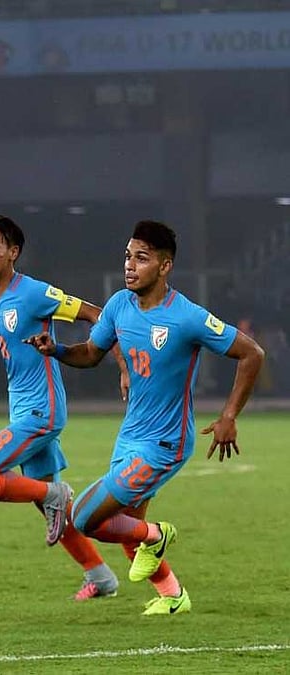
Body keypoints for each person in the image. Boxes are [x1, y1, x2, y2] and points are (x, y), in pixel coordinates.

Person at [26, 220, 264, 615]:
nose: (130, 266)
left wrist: (228, 415)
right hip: (131, 436)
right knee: (125, 530)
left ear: (165, 266)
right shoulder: (119, 304)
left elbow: (252, 353)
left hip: (165, 444)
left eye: (141, 258)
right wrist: (58, 350)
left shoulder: (186, 317)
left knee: (84, 516)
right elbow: (91, 353)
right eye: (127, 257)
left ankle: (158, 534)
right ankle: (174, 596)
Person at [0, 215, 124, 600]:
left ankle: (58, 495)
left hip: (43, 412)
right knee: (42, 499)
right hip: (22, 411)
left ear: (13, 253)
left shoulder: (33, 293)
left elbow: (97, 314)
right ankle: (100, 577)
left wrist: (118, 361)